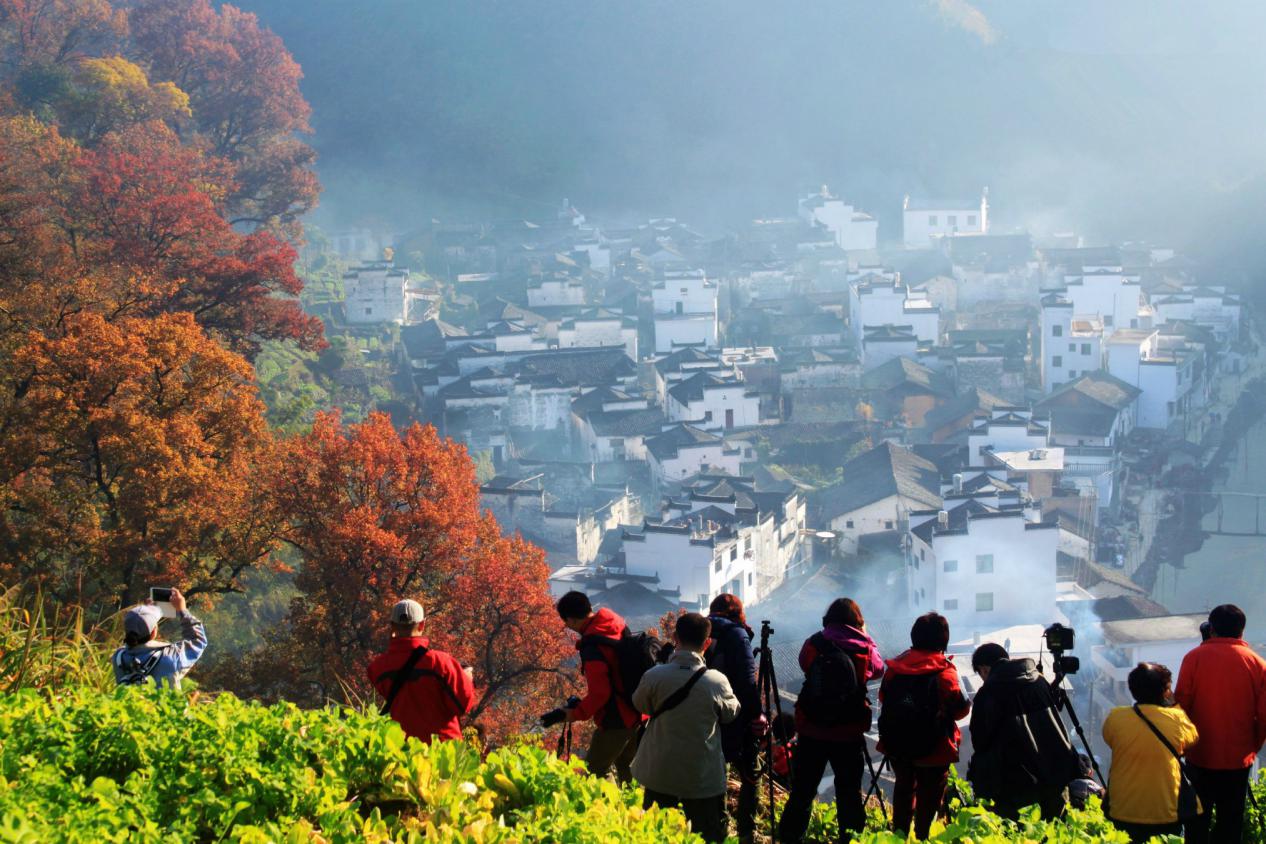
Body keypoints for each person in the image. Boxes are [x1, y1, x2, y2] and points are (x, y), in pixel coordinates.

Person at [779, 597, 884, 843]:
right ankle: (851, 838)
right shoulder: (865, 647)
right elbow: (878, 670)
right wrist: (866, 637)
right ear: (857, 621)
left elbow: (804, 664)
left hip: (812, 727)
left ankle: (790, 837)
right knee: (849, 791)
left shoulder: (815, 643)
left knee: (803, 790)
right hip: (848, 730)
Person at [632, 612, 740, 843]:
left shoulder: (654, 676)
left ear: (674, 637)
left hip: (659, 773)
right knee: (706, 836)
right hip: (701, 779)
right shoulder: (716, 681)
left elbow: (639, 704)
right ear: (707, 642)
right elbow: (731, 714)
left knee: (657, 835)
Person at [1175, 604, 1266, 844]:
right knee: (1230, 822)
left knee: (1197, 822)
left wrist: (1184, 746)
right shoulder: (1257, 664)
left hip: (1199, 755)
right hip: (1238, 759)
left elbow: (1180, 707)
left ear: (1211, 629)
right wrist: (1251, 747)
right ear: (1242, 631)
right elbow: (1264, 715)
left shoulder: (1193, 658)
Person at [878, 612, 970, 841]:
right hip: (934, 748)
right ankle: (923, 837)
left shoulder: (895, 668)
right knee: (929, 798)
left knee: (903, 790)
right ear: (943, 640)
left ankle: (898, 834)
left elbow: (883, 697)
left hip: (898, 744)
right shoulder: (945, 672)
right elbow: (960, 710)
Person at [966, 642, 1079, 820]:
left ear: (984, 669)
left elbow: (979, 741)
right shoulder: (1039, 680)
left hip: (1015, 785)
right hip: (1055, 773)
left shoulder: (988, 693)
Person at [548, 591, 645, 783]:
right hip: (639, 709)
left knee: (595, 771)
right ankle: (638, 810)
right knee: (628, 766)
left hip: (617, 717)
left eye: (566, 622)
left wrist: (576, 713)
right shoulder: (614, 623)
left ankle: (610, 811)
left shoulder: (593, 647)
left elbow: (601, 693)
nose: (567, 626)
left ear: (572, 620)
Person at [1102, 662, 1200, 843]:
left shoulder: (1115, 717)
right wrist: (1174, 705)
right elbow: (1192, 740)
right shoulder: (1177, 719)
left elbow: (1110, 739)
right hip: (1165, 811)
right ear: (1165, 691)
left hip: (1123, 809)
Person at [367, 599, 475, 743]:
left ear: (392, 626)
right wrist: (466, 678)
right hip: (443, 752)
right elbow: (463, 706)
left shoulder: (377, 668)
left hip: (403, 751)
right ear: (422, 624)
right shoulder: (440, 662)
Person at [705, 594, 760, 842]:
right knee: (752, 772)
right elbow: (748, 680)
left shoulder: (700, 628)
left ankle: (718, 828)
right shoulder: (737, 634)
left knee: (717, 772)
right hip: (736, 713)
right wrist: (757, 714)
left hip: (704, 713)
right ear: (738, 612)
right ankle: (747, 831)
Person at [113, 587, 207, 688]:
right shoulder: (171, 657)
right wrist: (183, 610)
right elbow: (198, 641)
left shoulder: (118, 657)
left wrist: (146, 612)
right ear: (154, 632)